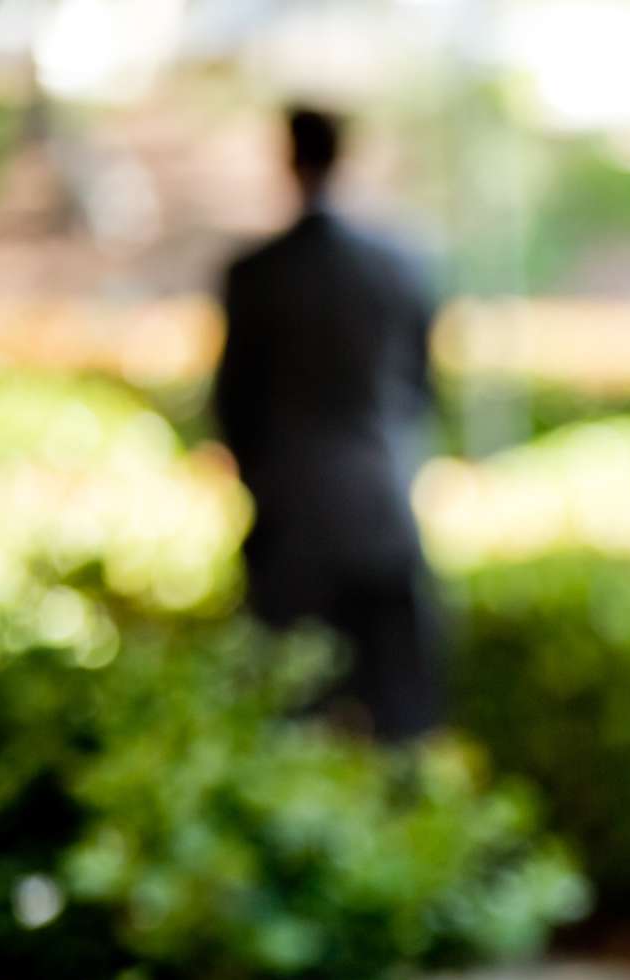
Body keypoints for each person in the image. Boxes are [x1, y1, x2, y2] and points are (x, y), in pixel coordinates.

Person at [212, 104, 443, 742]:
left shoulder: (256, 275)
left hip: (290, 521)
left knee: (290, 718)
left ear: (288, 159)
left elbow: (233, 404)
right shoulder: (401, 264)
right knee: (404, 723)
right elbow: (421, 390)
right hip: (383, 509)